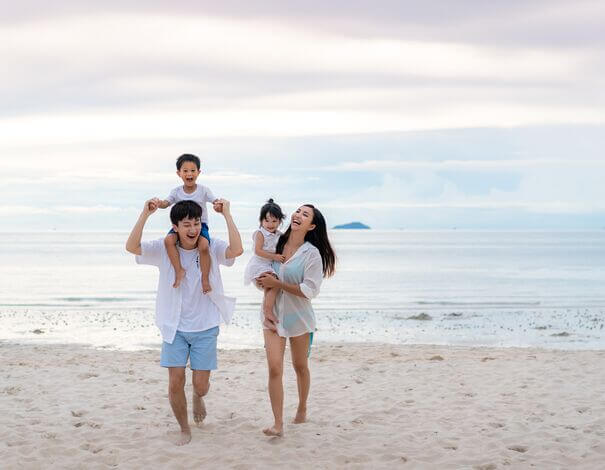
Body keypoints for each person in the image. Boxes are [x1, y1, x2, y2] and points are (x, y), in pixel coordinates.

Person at [125, 198, 243, 446]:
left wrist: (227, 216)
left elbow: (237, 251)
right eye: (187, 224)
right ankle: (183, 428)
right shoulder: (162, 248)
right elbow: (132, 247)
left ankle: (198, 396)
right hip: (173, 326)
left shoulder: (210, 246)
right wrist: (145, 214)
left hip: (206, 325)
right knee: (175, 381)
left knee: (201, 386)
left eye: (197, 223)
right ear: (175, 227)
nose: (193, 229)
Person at [255, 204, 336, 437]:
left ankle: (302, 407)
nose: (298, 215)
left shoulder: (312, 254)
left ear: (311, 226)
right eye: (298, 211)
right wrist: (262, 281)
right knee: (274, 368)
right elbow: (260, 268)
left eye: (305, 214)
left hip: (299, 316)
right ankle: (278, 423)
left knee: (300, 366)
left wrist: (278, 284)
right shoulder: (275, 243)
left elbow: (310, 290)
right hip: (272, 316)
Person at [152, 154, 218, 293]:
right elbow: (166, 203)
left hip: (201, 225)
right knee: (168, 240)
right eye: (185, 171)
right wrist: (159, 203)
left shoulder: (203, 190)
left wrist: (219, 204)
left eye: (193, 170)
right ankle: (179, 270)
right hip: (181, 226)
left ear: (199, 172)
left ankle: (205, 278)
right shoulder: (176, 192)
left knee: (204, 246)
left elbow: (214, 201)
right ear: (179, 173)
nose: (189, 174)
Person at [243, 199, 286, 325]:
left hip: (269, 265)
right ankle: (267, 312)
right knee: (273, 283)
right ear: (261, 221)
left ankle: (266, 315)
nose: (270, 224)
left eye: (274, 221)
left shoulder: (279, 235)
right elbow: (258, 251)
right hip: (259, 265)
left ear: (280, 221)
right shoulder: (260, 234)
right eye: (267, 220)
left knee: (271, 286)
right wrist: (275, 257)